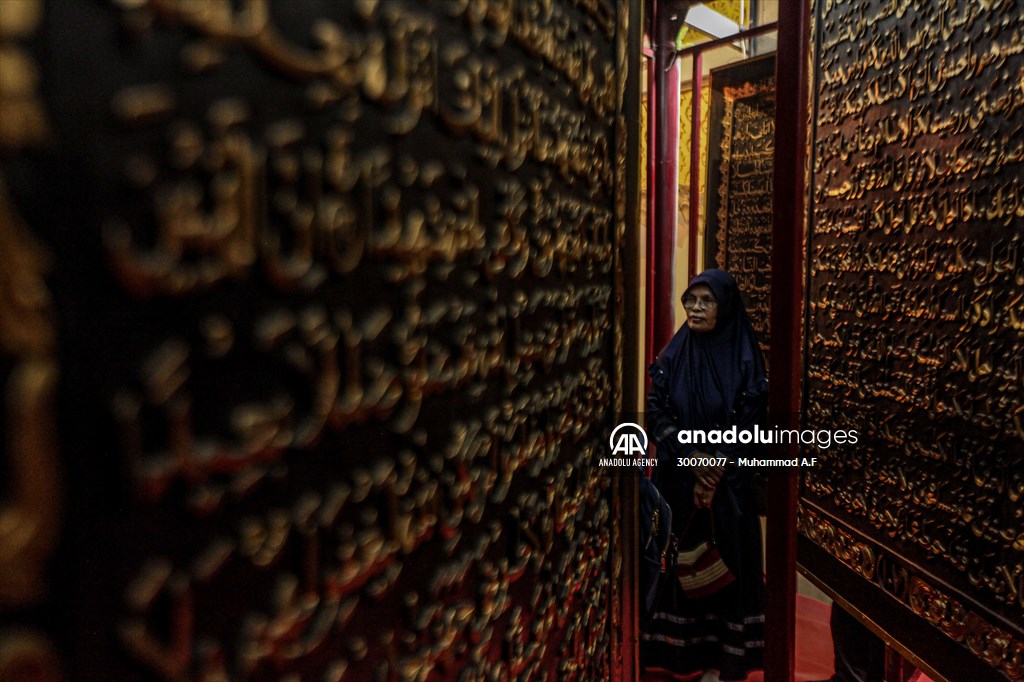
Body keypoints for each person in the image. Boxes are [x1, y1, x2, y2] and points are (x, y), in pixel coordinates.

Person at [641, 269, 768, 682]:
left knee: (725, 570)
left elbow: (752, 422)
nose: (695, 309)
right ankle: (682, 657)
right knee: (680, 566)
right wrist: (689, 455)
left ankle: (721, 662)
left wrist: (715, 468)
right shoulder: (676, 353)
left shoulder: (745, 359)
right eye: (690, 301)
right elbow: (656, 409)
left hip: (727, 488)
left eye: (706, 301)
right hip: (677, 481)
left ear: (725, 306)